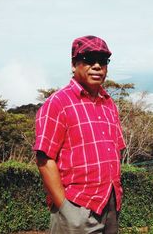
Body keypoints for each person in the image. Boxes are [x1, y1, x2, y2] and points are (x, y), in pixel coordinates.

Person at [33, 35, 126, 233]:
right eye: (89, 60)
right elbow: (44, 158)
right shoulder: (58, 103)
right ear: (74, 65)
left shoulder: (109, 104)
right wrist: (66, 209)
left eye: (103, 61)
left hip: (109, 203)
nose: (97, 66)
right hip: (76, 207)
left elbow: (116, 151)